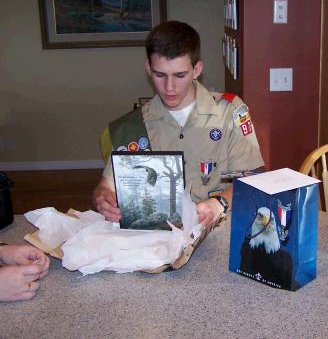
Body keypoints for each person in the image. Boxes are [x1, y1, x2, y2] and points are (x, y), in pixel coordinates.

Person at [93, 21, 264, 228]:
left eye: (180, 75)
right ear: (148, 67)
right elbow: (106, 185)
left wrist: (218, 204)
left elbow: (253, 181)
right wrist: (102, 198)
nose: (169, 87)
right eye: (160, 75)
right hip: (158, 236)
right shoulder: (133, 126)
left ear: (197, 69)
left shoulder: (230, 112)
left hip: (220, 230)